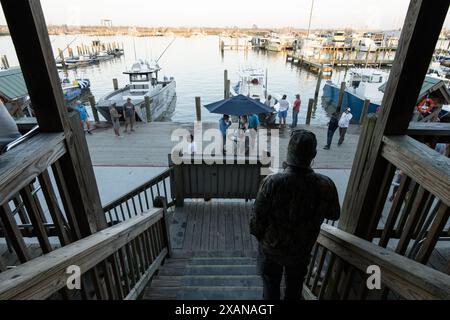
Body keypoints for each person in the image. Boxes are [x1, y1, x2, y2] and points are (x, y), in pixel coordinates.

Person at [250, 130, 340, 300]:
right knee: (294, 287)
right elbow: (334, 214)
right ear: (313, 154)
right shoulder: (325, 184)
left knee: (270, 288)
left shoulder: (272, 182)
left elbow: (255, 223)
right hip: (302, 249)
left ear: (288, 152)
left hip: (271, 248)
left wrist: (265, 239)